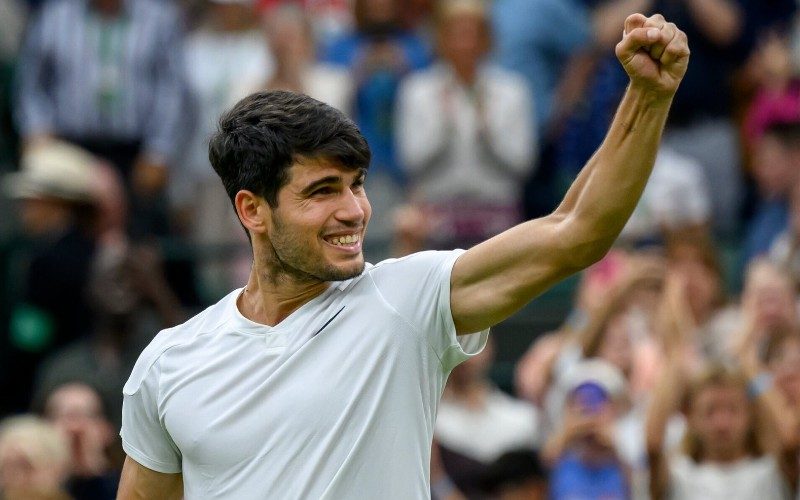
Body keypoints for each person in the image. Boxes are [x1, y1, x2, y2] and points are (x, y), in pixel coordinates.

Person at [117, 13, 690, 498]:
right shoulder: (170, 363)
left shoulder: (406, 300)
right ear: (252, 211)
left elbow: (576, 230)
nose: (353, 211)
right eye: (322, 191)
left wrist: (647, 96)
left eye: (356, 184)